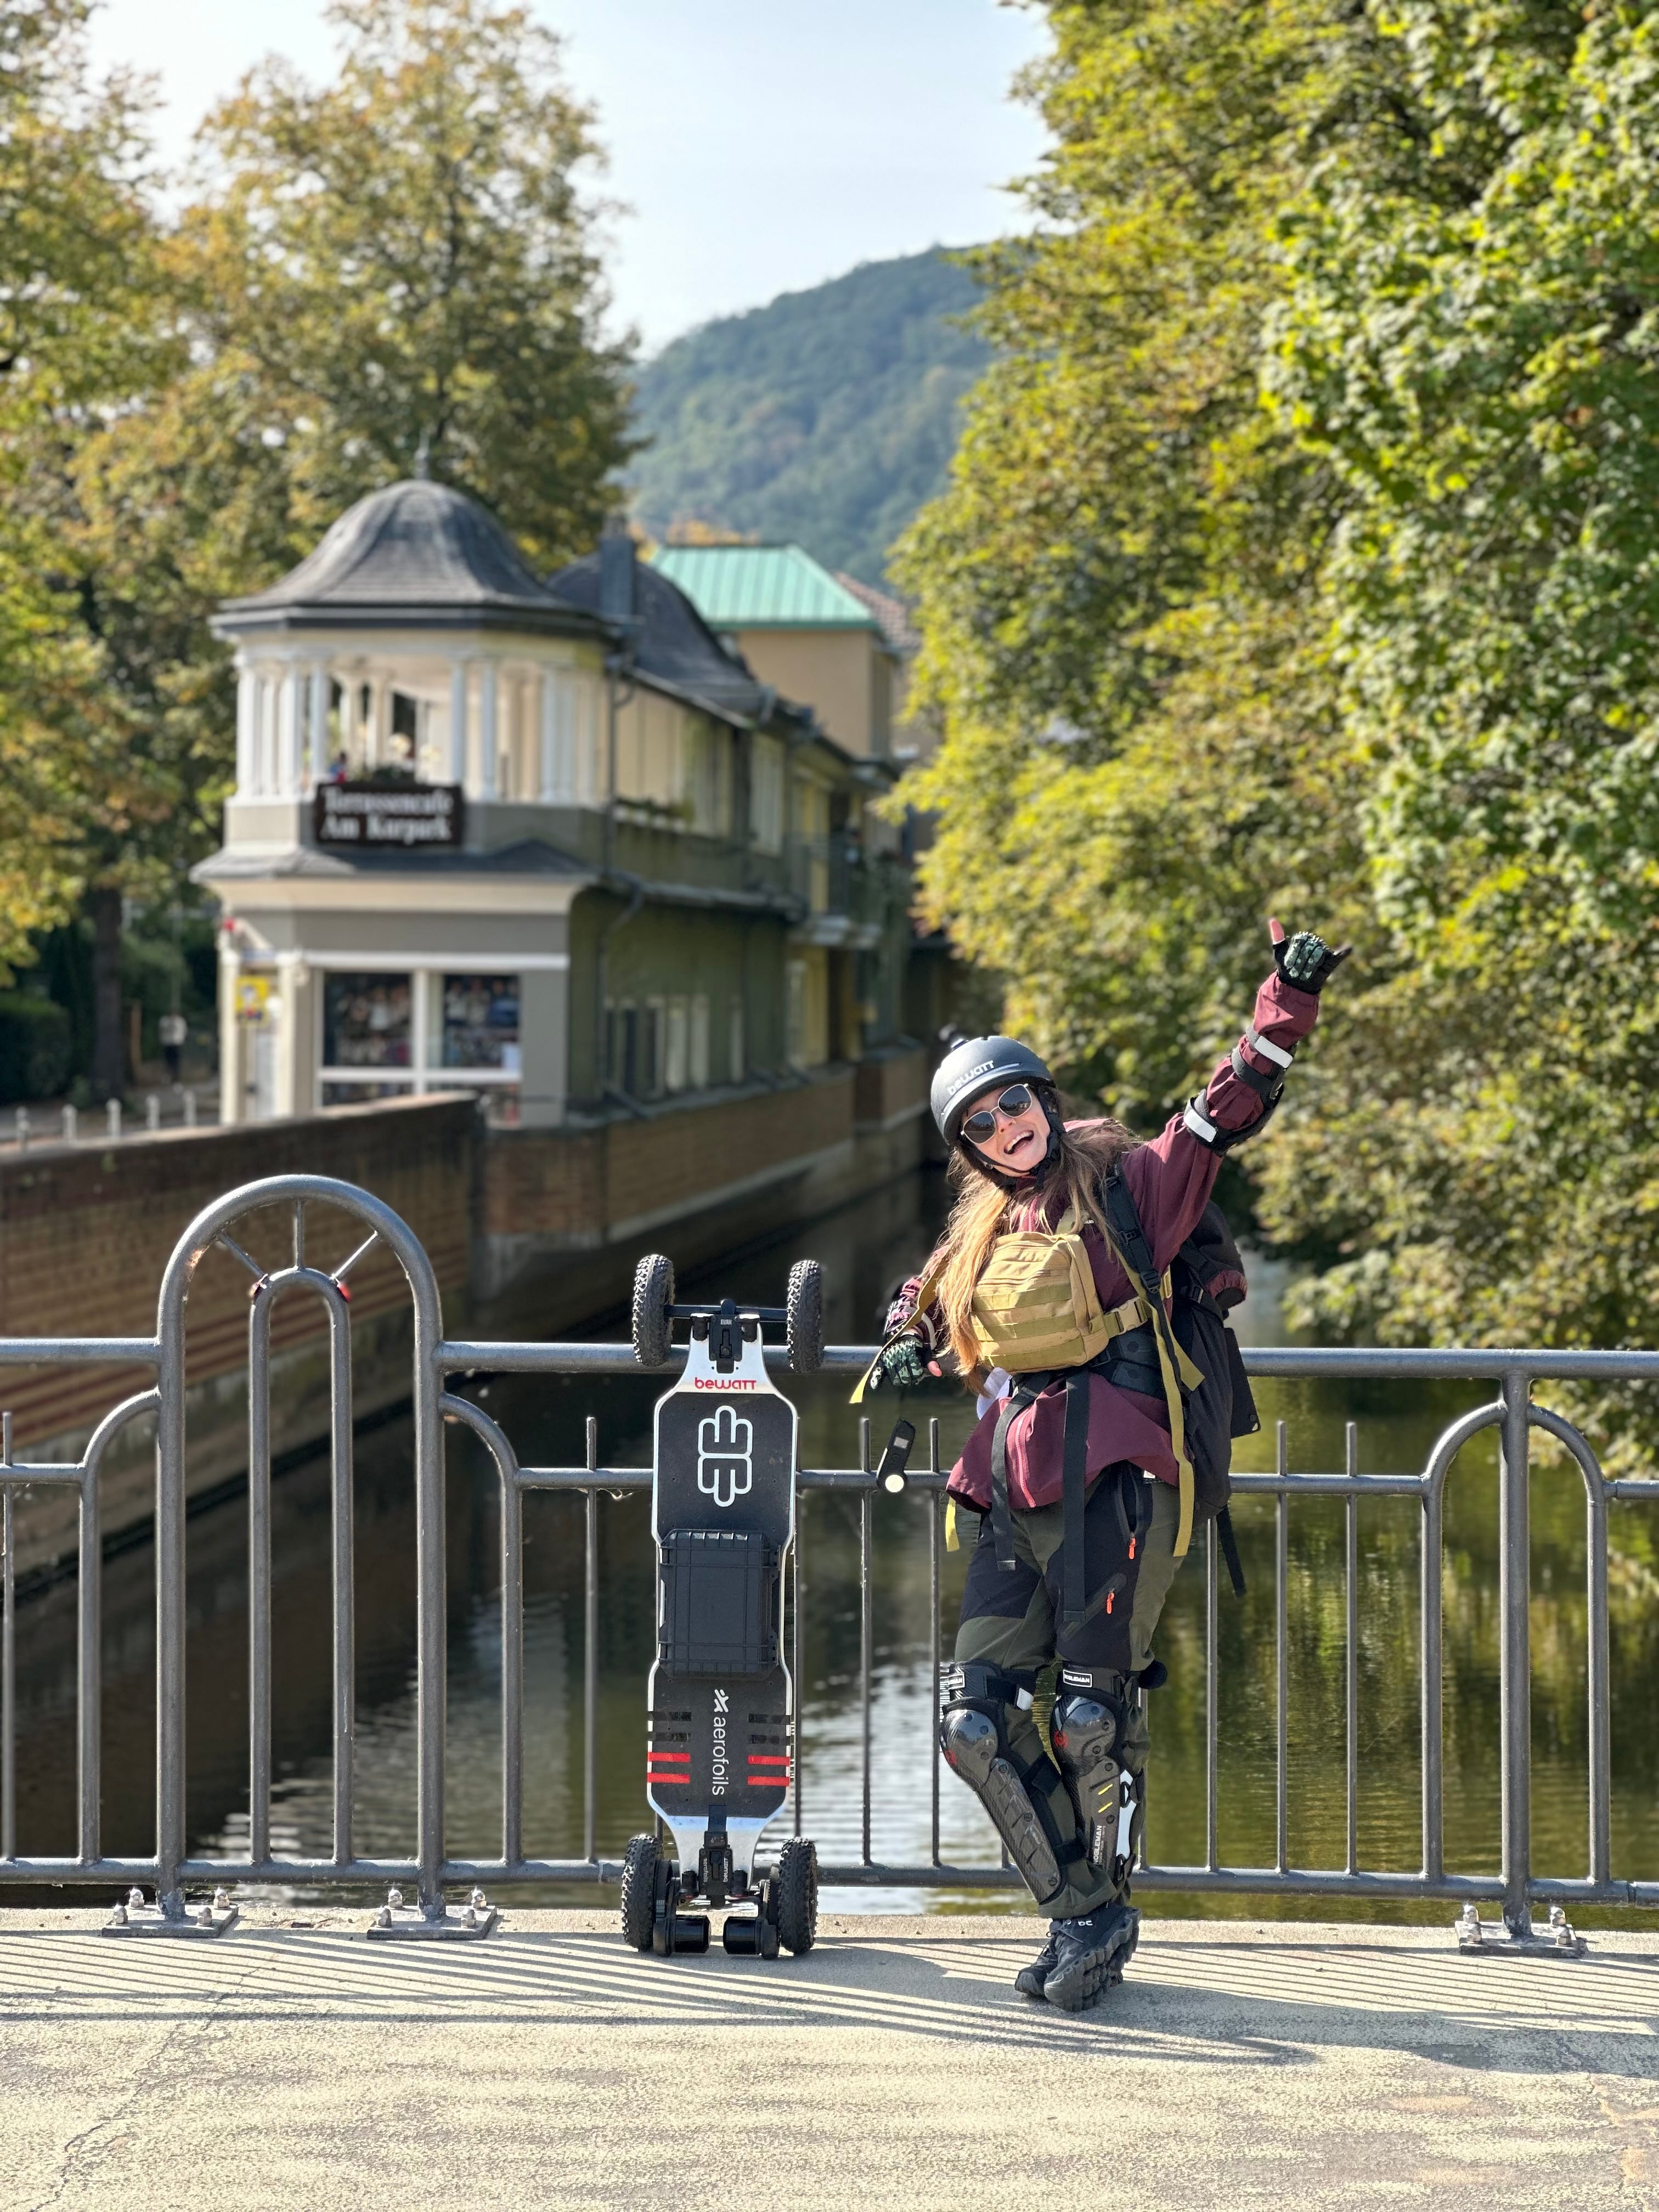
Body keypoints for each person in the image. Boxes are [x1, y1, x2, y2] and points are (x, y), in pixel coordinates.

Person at [865, 920, 1347, 2011]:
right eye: (983, 1122)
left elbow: (1227, 1110)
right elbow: (929, 1304)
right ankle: (1083, 1910)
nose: (1007, 1127)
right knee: (970, 1721)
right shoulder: (982, 1227)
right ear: (970, 1145)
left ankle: (1095, 1914)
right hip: (1007, 1483)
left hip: (1122, 1475)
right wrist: (904, 1334)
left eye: (1015, 1103)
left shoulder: (1133, 1185)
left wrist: (1287, 998)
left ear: (1043, 1097)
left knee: (1088, 1715)